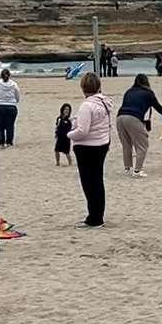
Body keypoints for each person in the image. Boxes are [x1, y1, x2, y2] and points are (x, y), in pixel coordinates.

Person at [70, 73, 112, 227]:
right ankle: (97, 215)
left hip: (88, 147)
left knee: (89, 183)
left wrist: (69, 135)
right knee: (97, 181)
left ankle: (94, 217)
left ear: (83, 88)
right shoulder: (104, 102)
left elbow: (83, 131)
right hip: (102, 144)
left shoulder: (87, 105)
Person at [117, 75, 162, 175]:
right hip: (133, 117)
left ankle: (127, 168)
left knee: (126, 145)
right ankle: (137, 170)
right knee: (142, 145)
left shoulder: (129, 91)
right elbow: (158, 107)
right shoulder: (148, 93)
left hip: (120, 117)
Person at [0, 69, 21, 147]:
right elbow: (18, 94)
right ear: (9, 75)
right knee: (10, 125)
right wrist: (16, 101)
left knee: (0, 125)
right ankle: (9, 142)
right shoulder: (14, 84)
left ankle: (1, 142)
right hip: (11, 106)